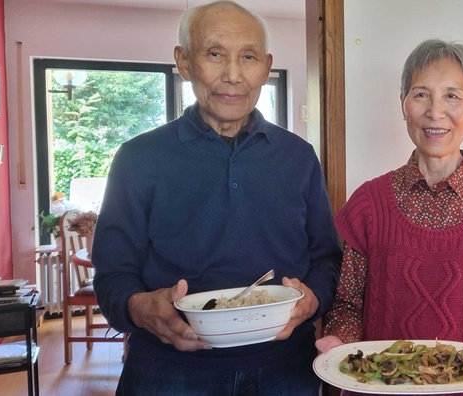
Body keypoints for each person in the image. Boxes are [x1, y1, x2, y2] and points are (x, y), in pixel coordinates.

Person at [91, 1, 342, 395]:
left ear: (266, 65)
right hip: (168, 370)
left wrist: (314, 299)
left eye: (249, 57)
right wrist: (138, 308)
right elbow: (112, 276)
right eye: (214, 54)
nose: (233, 75)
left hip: (285, 369)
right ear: (184, 62)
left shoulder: (297, 156)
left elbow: (326, 258)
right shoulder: (139, 158)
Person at [316, 39, 463, 396]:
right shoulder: (368, 204)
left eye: (452, 96)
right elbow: (348, 305)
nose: (436, 112)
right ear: (403, 103)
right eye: (421, 94)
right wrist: (338, 340)